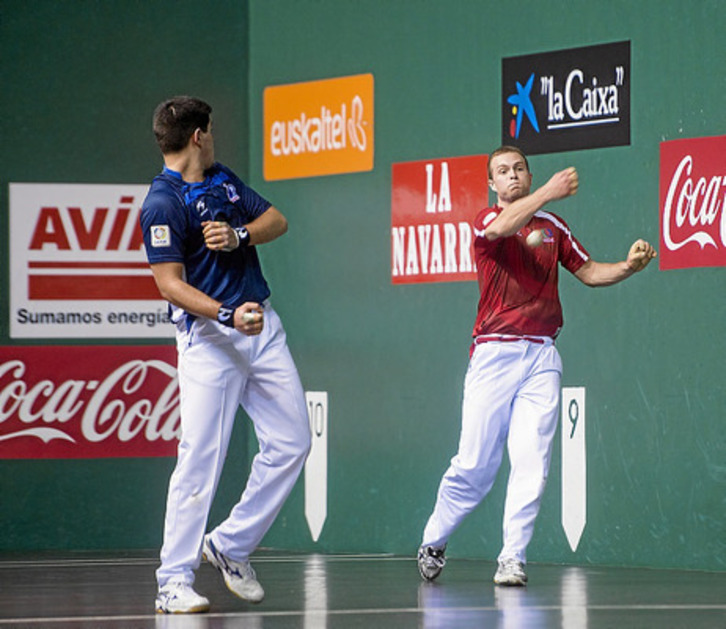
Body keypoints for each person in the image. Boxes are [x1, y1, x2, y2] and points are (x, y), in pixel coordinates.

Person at [417, 145, 657, 587]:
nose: (512, 176)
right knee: (474, 465)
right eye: (503, 171)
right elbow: (504, 226)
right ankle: (434, 539)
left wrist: (629, 266)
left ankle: (512, 558)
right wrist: (547, 191)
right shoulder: (487, 220)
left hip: (542, 355)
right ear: (492, 183)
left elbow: (589, 271)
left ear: (528, 174)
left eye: (519, 169)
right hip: (493, 354)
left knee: (532, 461)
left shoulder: (553, 228)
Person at [140, 96, 311, 613]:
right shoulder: (161, 203)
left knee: (293, 441)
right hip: (210, 339)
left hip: (262, 328)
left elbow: (277, 221)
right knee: (200, 458)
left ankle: (230, 545)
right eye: (211, 130)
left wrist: (239, 235)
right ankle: (173, 580)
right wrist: (225, 314)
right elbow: (169, 284)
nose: (213, 138)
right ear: (199, 136)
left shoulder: (224, 179)